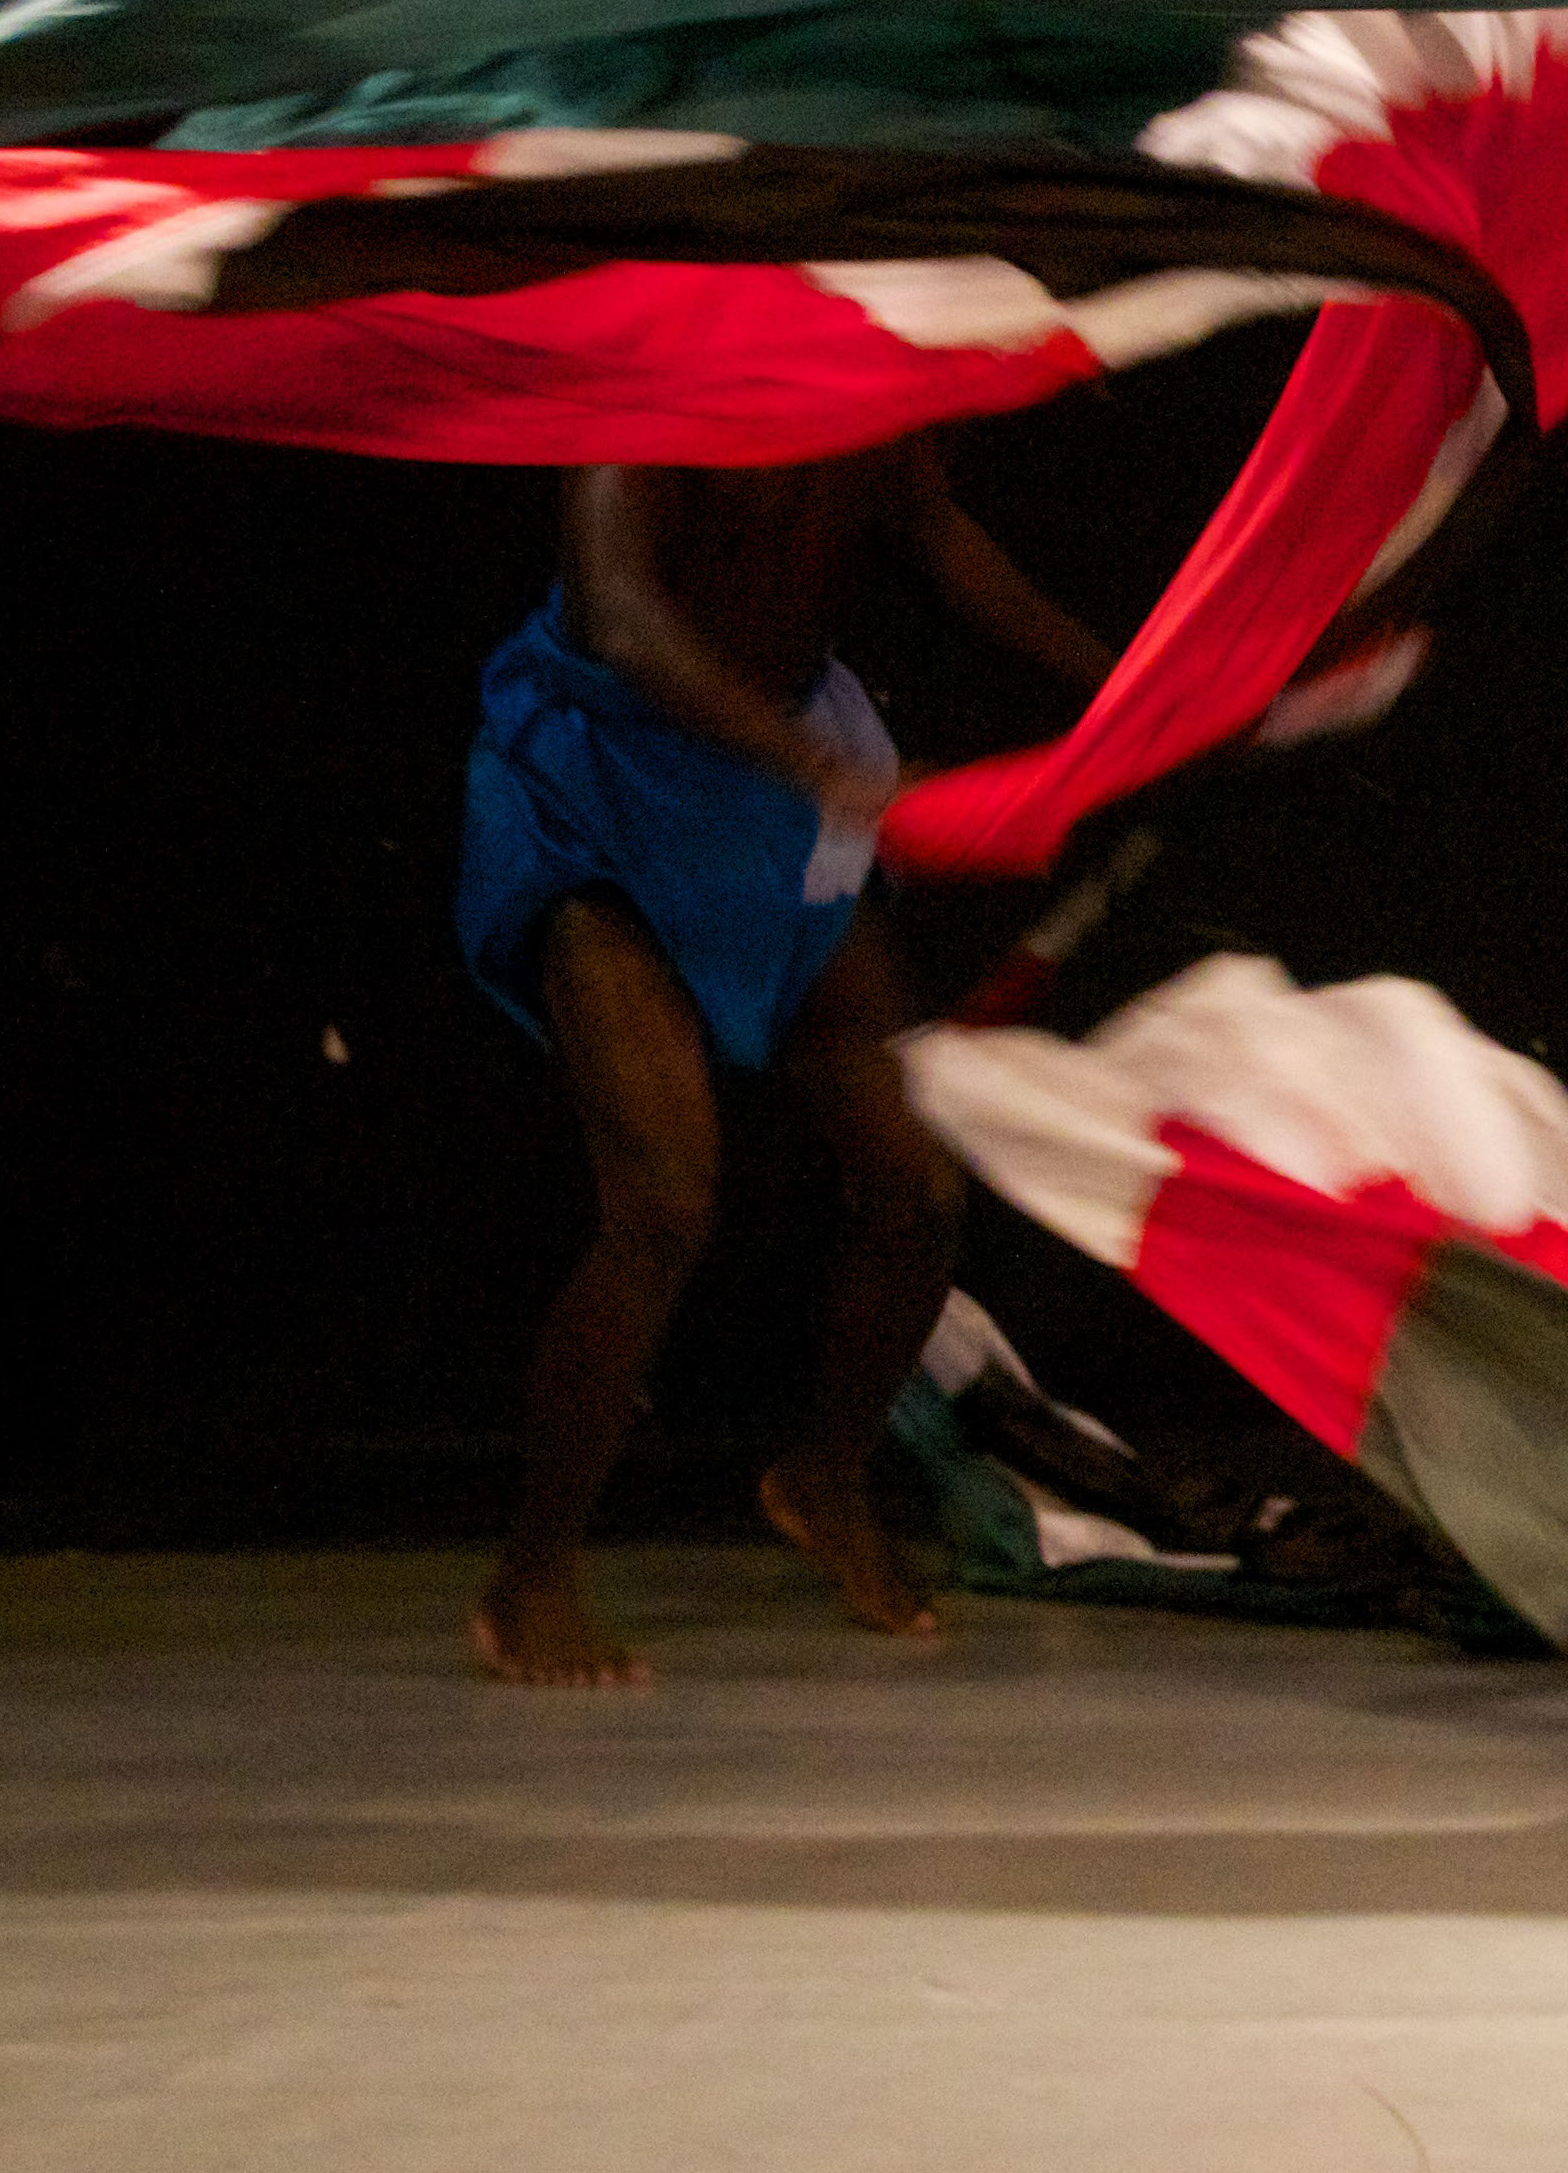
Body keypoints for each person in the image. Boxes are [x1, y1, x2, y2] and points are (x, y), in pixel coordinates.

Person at [455, 444, 1112, 1687]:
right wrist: (823, 773)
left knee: (916, 1190)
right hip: (606, 786)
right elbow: (621, 619)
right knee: (662, 1206)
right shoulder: (659, 391)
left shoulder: (865, 382)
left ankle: (824, 1477)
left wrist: (1129, 690)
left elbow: (940, 537)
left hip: (777, 787)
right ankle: (529, 1578)